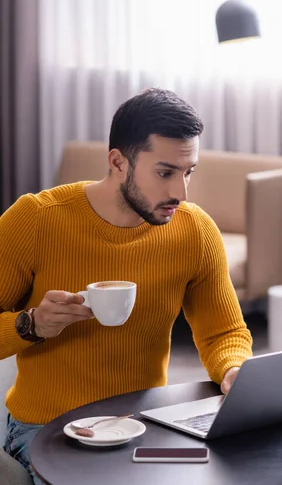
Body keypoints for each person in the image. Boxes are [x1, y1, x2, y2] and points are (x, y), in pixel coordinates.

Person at [0, 88, 253, 483]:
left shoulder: (195, 229)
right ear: (118, 161)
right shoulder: (36, 220)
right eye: (165, 173)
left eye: (189, 173)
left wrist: (233, 368)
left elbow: (224, 331)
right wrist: (30, 326)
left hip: (143, 424)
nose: (180, 193)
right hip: (47, 425)